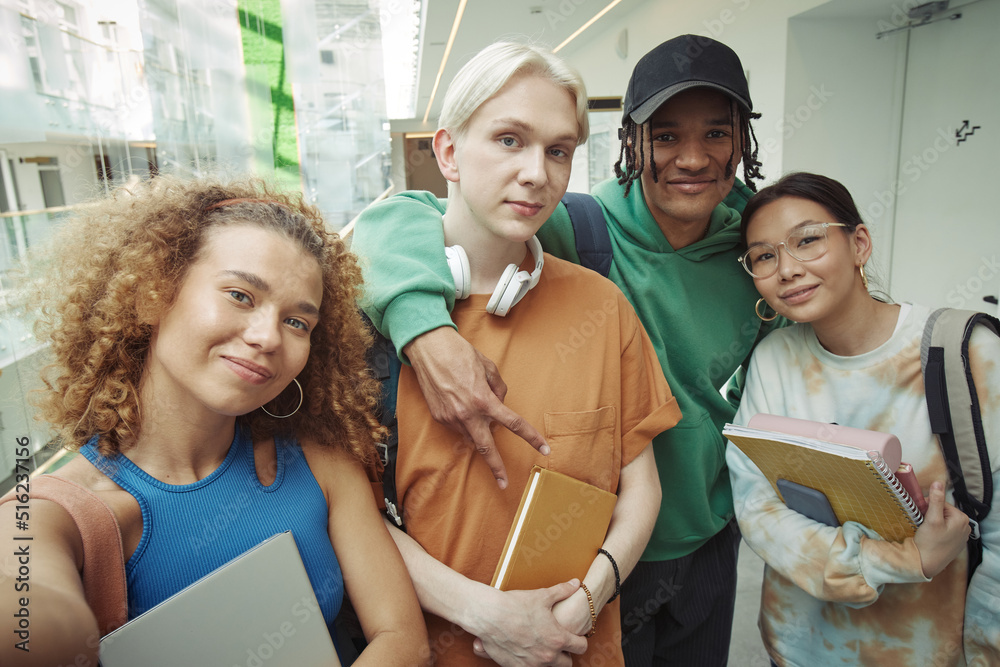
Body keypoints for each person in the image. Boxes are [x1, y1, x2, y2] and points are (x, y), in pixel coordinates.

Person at [351, 34, 774, 664]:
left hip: (699, 538)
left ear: (741, 139)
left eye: (717, 134)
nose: (693, 157)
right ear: (632, 141)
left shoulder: (760, 248)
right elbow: (401, 218)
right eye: (666, 137)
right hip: (576, 573)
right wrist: (425, 327)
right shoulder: (578, 227)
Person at [0, 176, 429, 667]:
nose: (268, 337)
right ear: (152, 293)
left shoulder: (319, 461)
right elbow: (25, 601)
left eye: (297, 322)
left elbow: (405, 640)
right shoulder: (60, 510)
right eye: (241, 296)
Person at [726, 171, 999, 665]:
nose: (786, 269)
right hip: (798, 644)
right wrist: (898, 560)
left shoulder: (966, 353)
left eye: (807, 240)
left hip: (925, 648)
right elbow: (755, 506)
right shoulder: (774, 359)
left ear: (859, 244)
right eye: (765, 255)